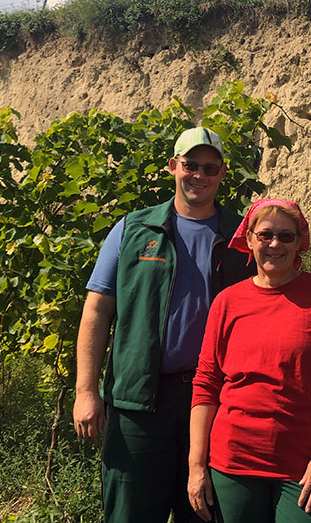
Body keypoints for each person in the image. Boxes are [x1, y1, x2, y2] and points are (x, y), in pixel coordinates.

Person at [72, 126, 256, 523]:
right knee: (130, 513)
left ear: (222, 173)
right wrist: (86, 391)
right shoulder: (133, 229)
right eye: (190, 165)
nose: (199, 176)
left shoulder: (244, 237)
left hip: (216, 402)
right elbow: (97, 311)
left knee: (206, 512)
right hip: (140, 402)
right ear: (173, 166)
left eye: (210, 168)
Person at [187, 199, 311, 523]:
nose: (275, 244)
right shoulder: (227, 302)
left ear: (299, 243)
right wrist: (196, 466)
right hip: (233, 460)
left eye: (286, 236)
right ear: (249, 238)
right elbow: (206, 383)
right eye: (265, 234)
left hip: (307, 463)